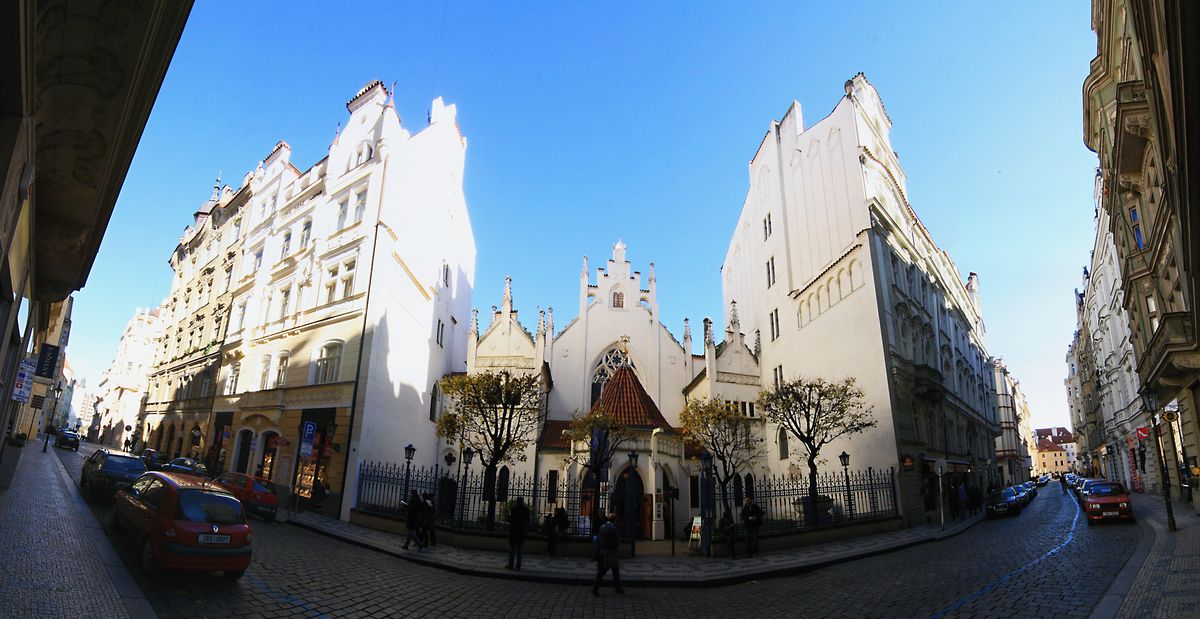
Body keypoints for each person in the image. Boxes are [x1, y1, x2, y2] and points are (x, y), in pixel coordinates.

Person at [593, 511, 622, 596]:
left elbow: (599, 539)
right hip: (610, 553)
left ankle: (617, 588)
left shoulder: (602, 527)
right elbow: (616, 541)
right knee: (606, 572)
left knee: (610, 572)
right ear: (614, 520)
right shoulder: (613, 529)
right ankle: (595, 589)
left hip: (603, 552)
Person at [506, 497, 531, 570]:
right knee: (520, 550)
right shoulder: (526, 510)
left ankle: (511, 565)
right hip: (521, 531)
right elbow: (528, 521)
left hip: (514, 531)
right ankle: (518, 565)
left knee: (512, 549)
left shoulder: (514, 509)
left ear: (517, 502)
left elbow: (510, 520)